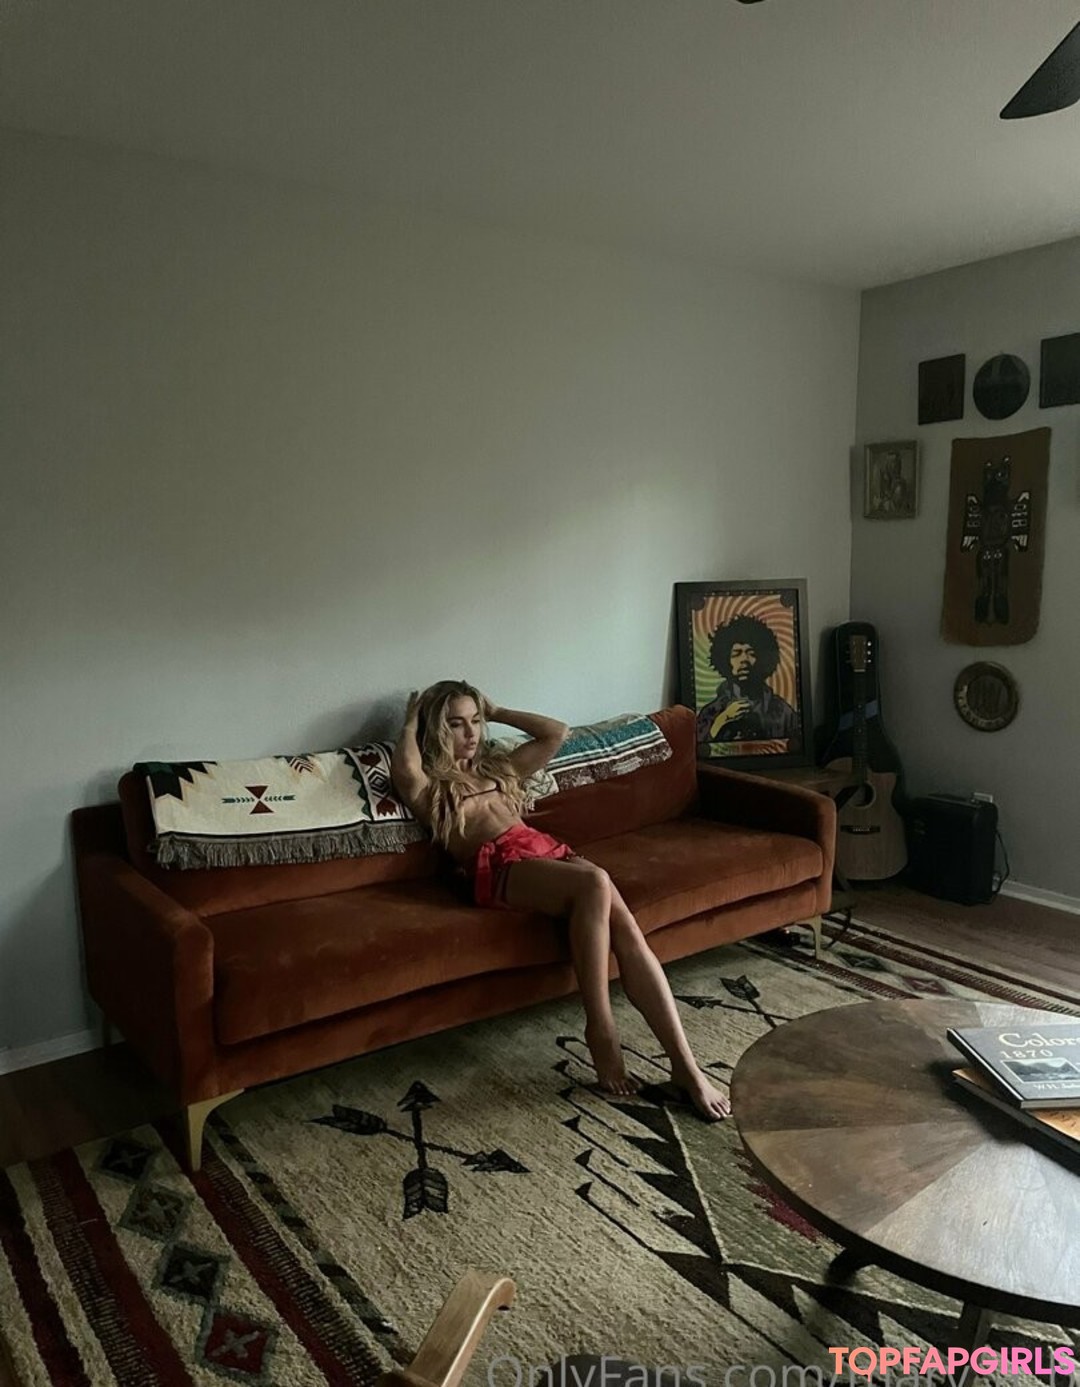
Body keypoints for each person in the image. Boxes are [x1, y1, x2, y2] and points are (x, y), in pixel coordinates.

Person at [390, 679, 729, 1122]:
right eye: (456, 724)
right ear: (436, 730)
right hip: (499, 868)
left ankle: (686, 1067)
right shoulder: (433, 789)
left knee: (629, 931)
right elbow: (405, 768)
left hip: (546, 852)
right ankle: (600, 1028)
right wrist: (412, 720)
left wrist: (498, 711)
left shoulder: (499, 769)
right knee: (596, 881)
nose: (471, 733)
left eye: (475, 721)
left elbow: (556, 733)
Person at [695, 615, 798, 749]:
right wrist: (721, 721)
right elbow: (697, 750)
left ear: (762, 659)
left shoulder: (783, 712)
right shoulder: (711, 711)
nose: (744, 659)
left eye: (751, 653)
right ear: (725, 660)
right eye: (736, 653)